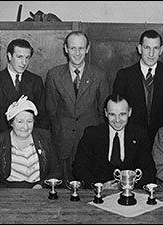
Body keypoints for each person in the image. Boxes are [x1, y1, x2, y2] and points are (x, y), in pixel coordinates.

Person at [45, 31, 110, 183]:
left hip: (90, 141)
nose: (77, 53)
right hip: (63, 142)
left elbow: (104, 112)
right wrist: (60, 133)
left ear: (87, 49)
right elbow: (51, 110)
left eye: (81, 48)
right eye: (73, 48)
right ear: (65, 49)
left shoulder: (99, 75)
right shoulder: (54, 75)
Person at [72, 93, 156, 189]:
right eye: (112, 114)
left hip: (131, 192)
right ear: (106, 113)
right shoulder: (92, 134)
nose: (117, 120)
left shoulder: (139, 134)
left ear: (130, 112)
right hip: (99, 193)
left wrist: (129, 186)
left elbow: (149, 169)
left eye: (122, 114)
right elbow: (79, 168)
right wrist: (99, 186)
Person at [113, 29, 163, 145]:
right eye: (147, 48)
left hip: (162, 139)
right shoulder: (124, 75)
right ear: (139, 48)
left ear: (161, 50)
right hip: (133, 138)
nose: (151, 54)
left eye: (156, 48)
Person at [0, 96, 61, 188]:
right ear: (11, 123)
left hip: (38, 191)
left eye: (29, 121)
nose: (25, 127)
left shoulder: (45, 137)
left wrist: (41, 186)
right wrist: (7, 193)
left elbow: (56, 171)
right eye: (20, 122)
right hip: (8, 193)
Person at [0, 39, 47, 139]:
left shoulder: (36, 81)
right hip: (2, 140)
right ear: (9, 56)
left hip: (29, 141)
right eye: (19, 57)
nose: (24, 62)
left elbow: (42, 117)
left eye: (27, 58)